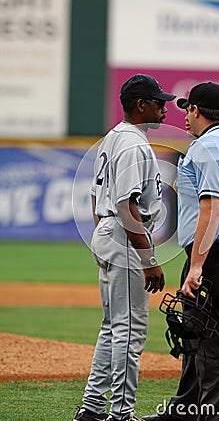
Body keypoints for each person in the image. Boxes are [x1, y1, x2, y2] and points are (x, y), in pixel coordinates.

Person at [143, 82, 219, 421]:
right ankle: (183, 412)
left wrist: (196, 267)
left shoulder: (205, 146)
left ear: (196, 110)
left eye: (186, 109)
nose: (183, 116)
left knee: (216, 348)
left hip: (213, 257)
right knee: (203, 340)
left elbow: (212, 206)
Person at [73, 74, 176, 421]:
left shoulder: (113, 138)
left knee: (113, 326)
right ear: (140, 105)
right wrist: (148, 258)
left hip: (109, 234)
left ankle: (91, 408)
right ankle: (121, 414)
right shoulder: (133, 144)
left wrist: (103, 233)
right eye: (158, 101)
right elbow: (126, 205)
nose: (164, 107)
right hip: (125, 237)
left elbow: (94, 195)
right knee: (130, 333)